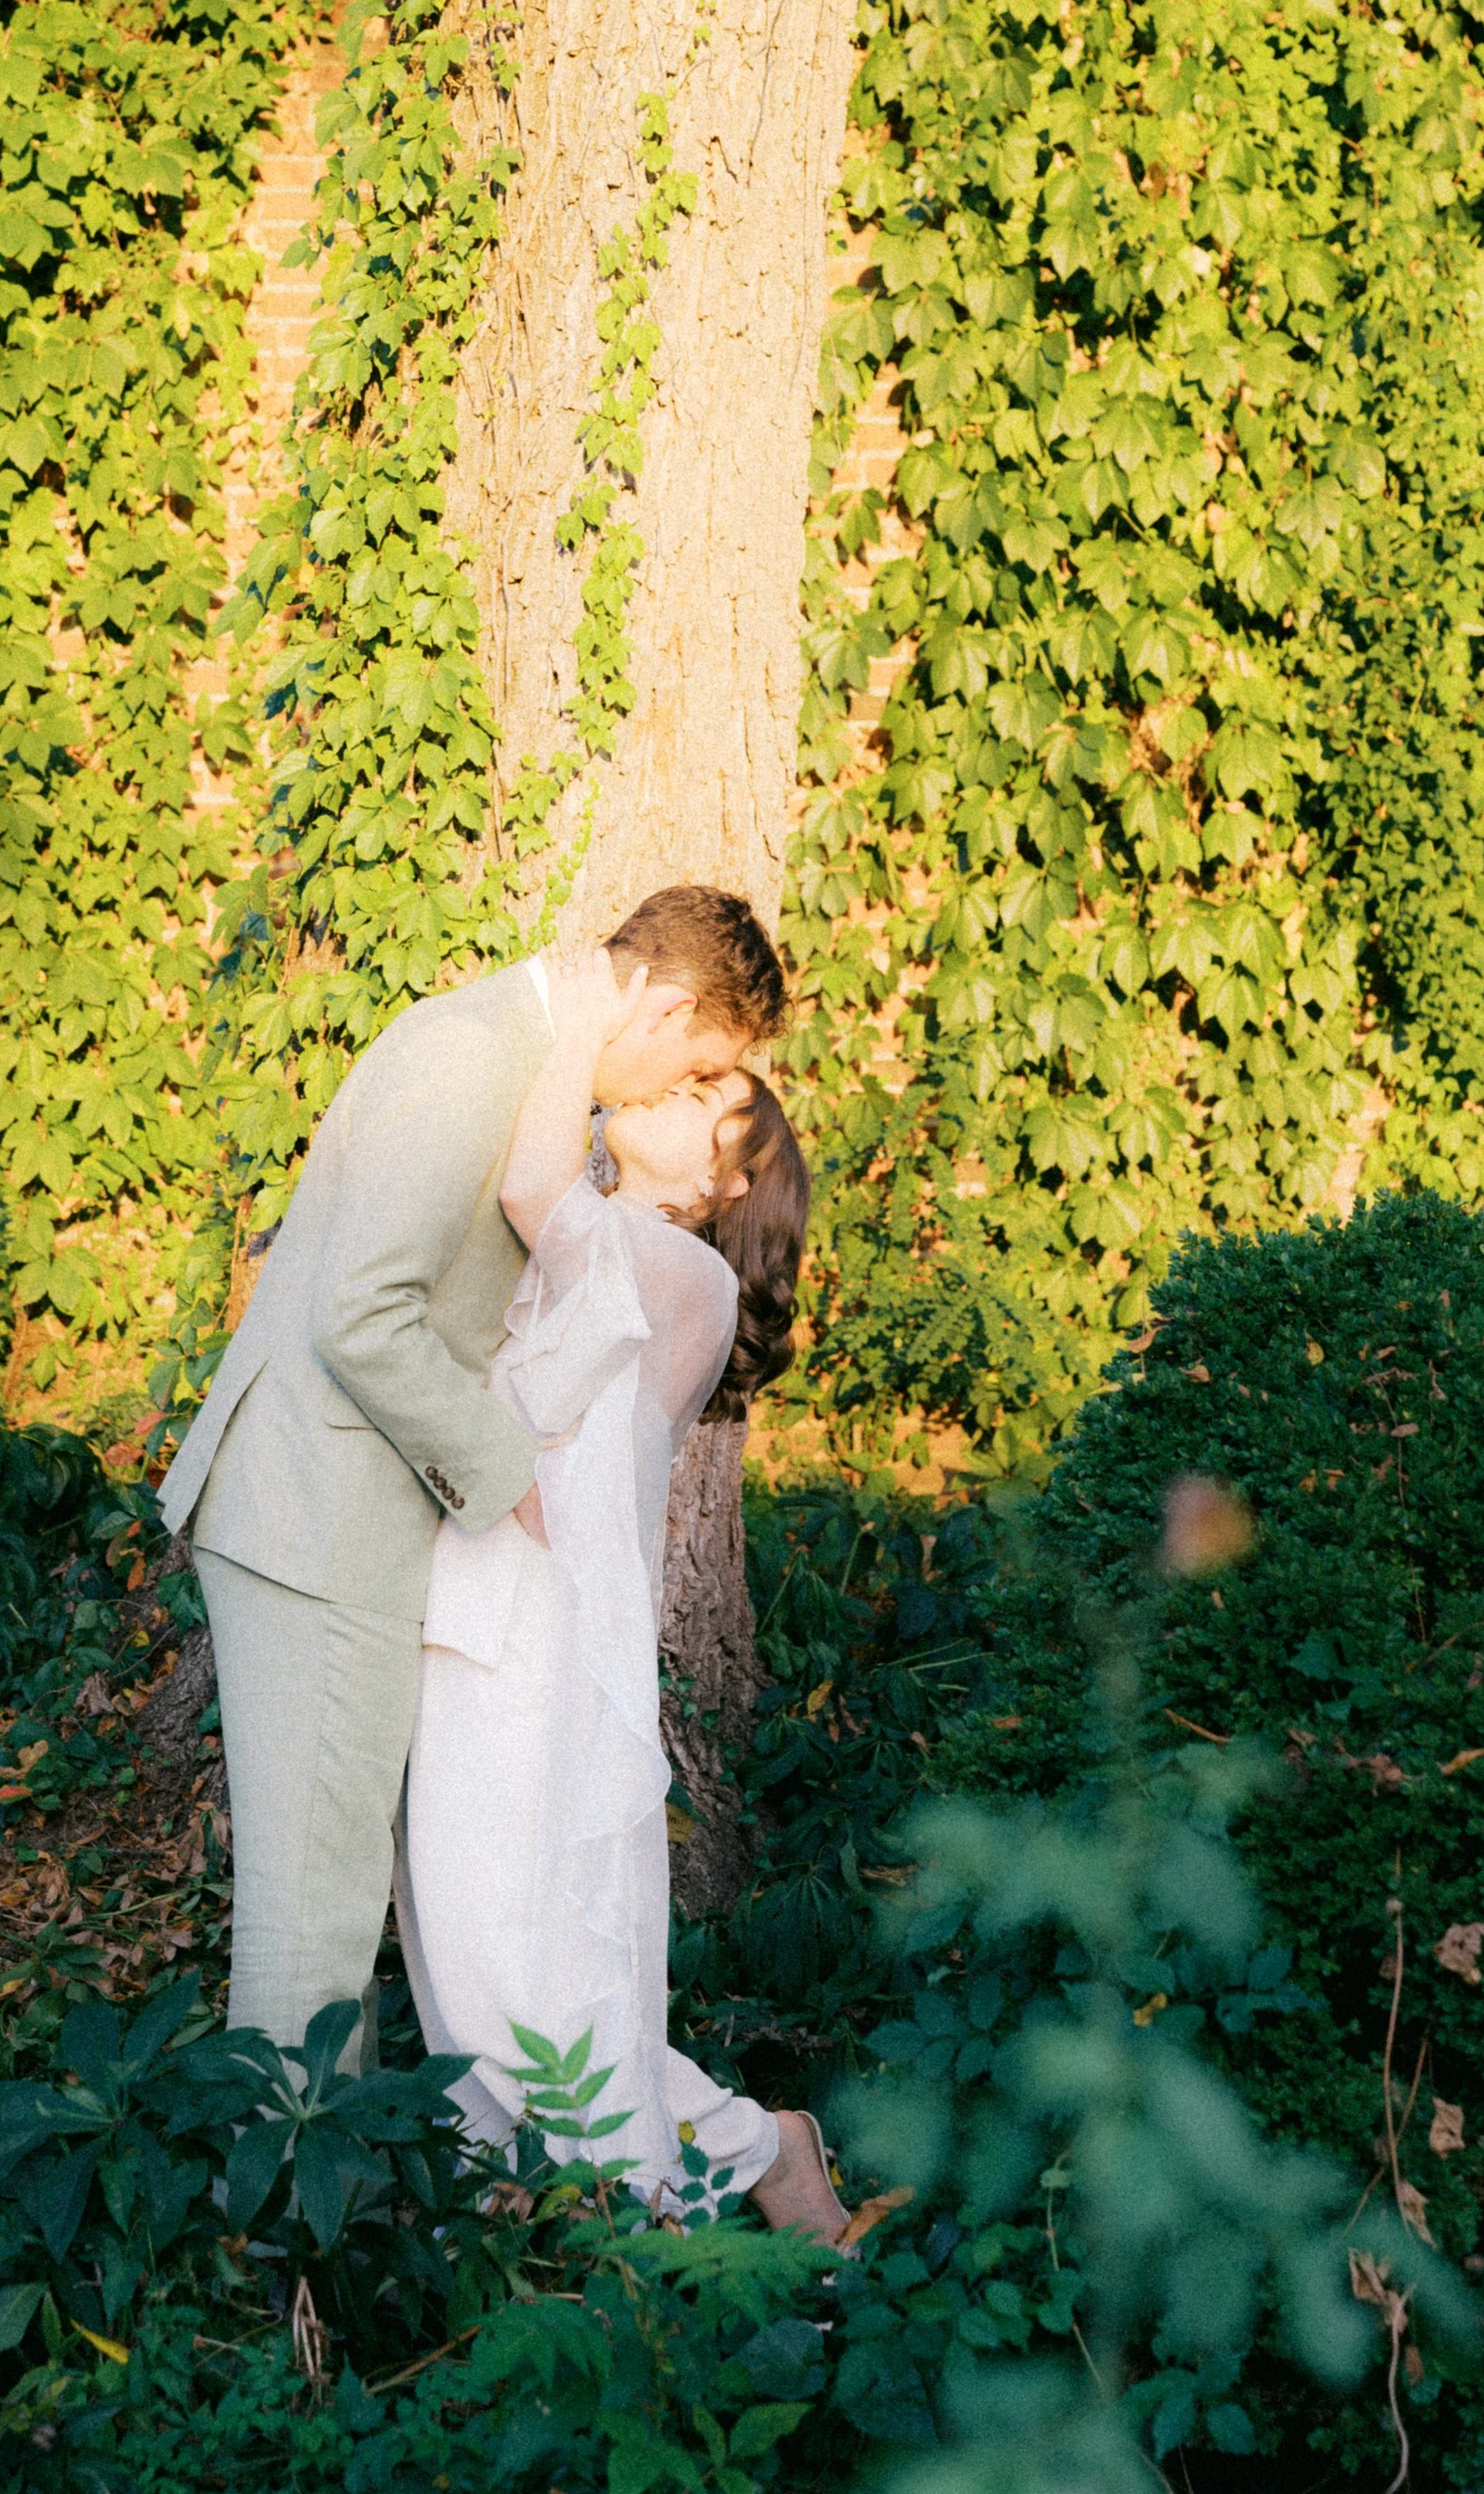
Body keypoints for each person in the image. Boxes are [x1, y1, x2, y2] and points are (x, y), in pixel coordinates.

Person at [156, 886, 786, 2068]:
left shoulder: (515, 1057)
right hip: (317, 1529)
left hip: (344, 1522)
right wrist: (515, 1481)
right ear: (662, 1001)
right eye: (689, 1065)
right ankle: (283, 2241)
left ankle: (311, 2238)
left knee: (332, 1917)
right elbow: (362, 1313)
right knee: (314, 1928)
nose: (662, 1098)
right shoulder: (468, 1053)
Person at [395, 952, 852, 2243]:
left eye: (712, 1089)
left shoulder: (685, 1279)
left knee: (522, 1977)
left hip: (548, 1644)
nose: (680, 1085)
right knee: (464, 1957)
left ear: (729, 1177)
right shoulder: (601, 1251)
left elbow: (534, 1179)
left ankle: (685, 2184)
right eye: (696, 1067)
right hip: (467, 1609)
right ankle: (539, 2231)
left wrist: (583, 1009)